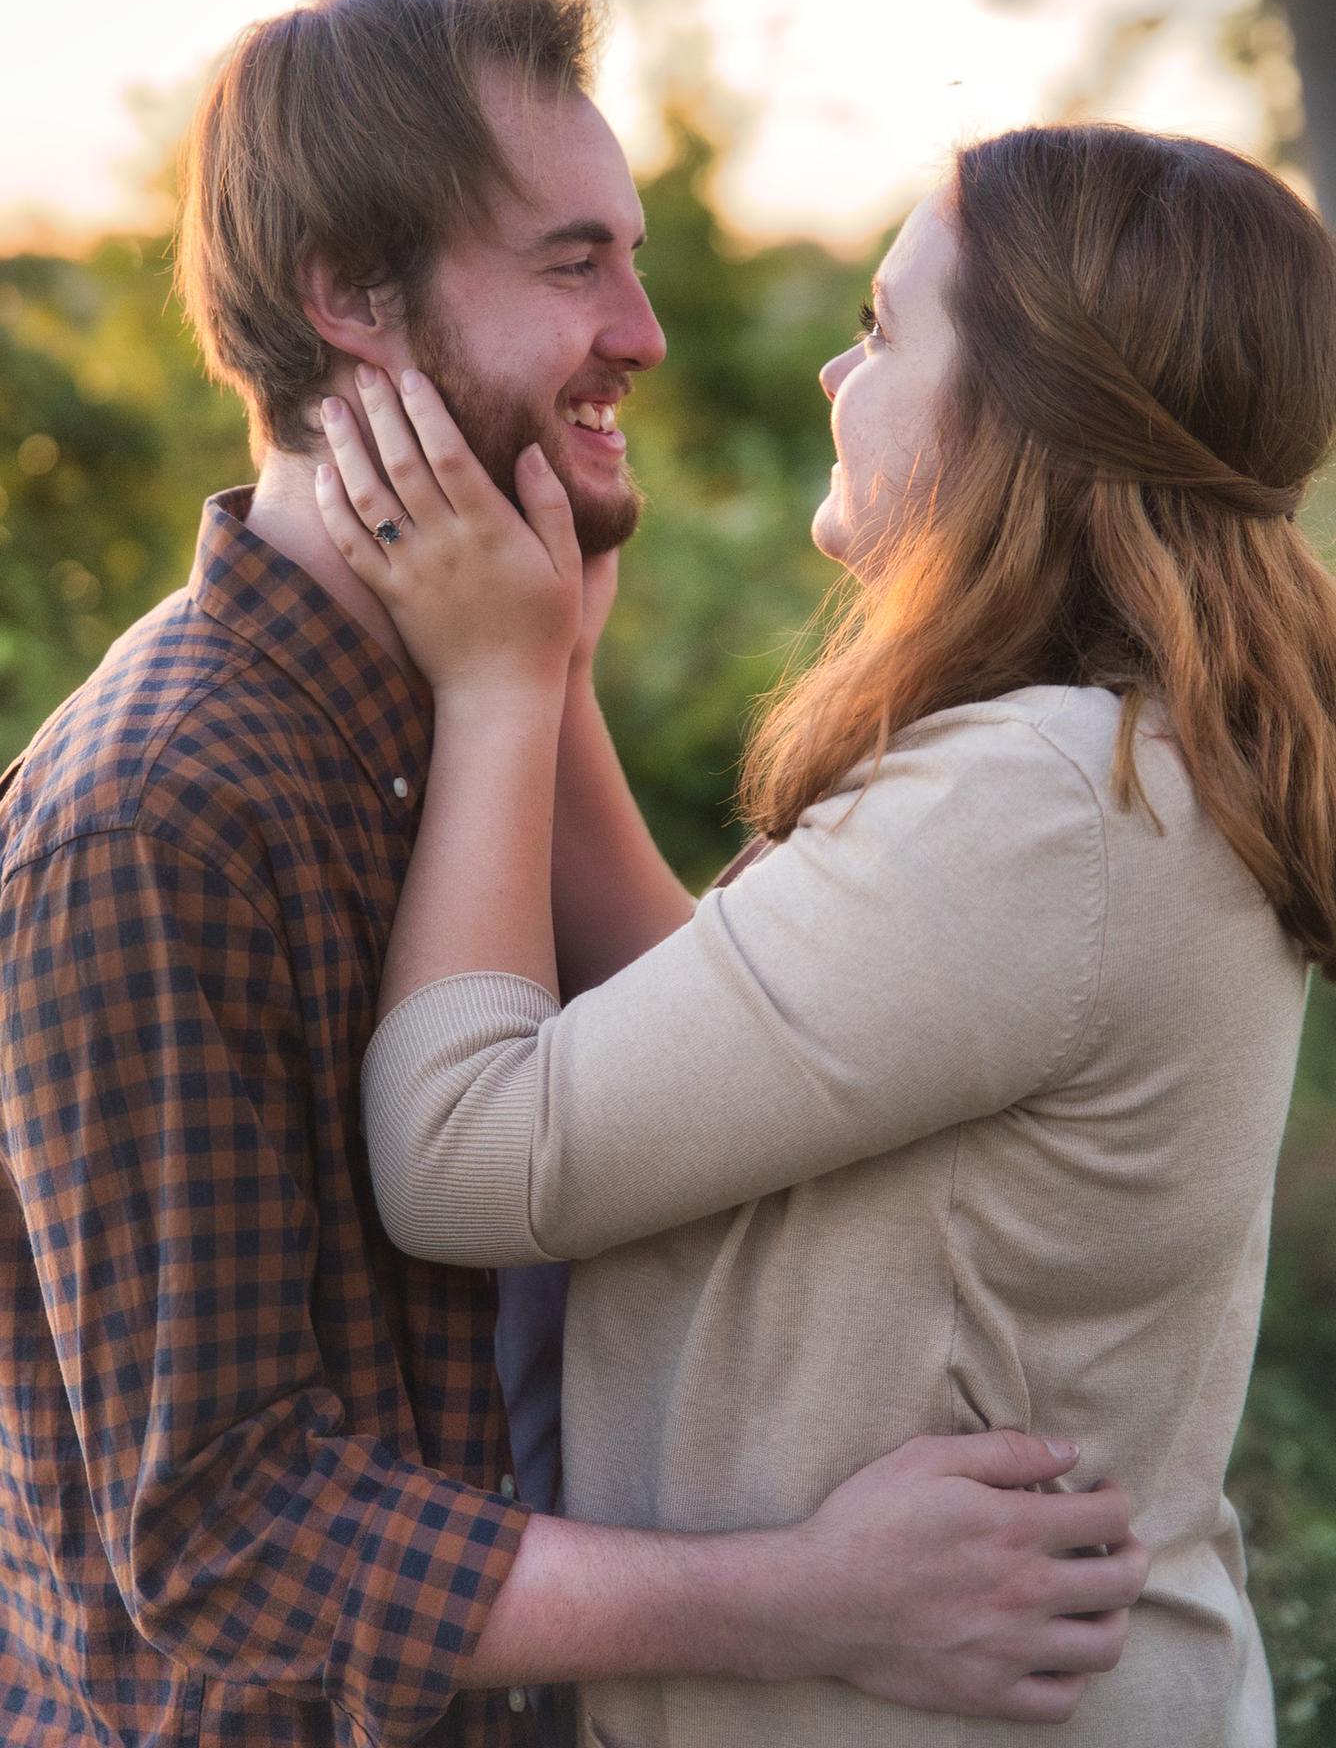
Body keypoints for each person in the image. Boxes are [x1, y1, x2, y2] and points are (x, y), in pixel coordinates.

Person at [0, 0, 1146, 1748]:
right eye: (570, 264)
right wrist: (808, 1598)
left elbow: (695, 1124)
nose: (647, 330)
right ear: (349, 301)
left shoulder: (466, 710)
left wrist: (539, 690)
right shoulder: (162, 815)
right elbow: (222, 1531)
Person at [318, 120, 1336, 1747]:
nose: (830, 376)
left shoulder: (1041, 810)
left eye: (881, 328)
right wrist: (569, 683)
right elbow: (715, 1060)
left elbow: (462, 1162)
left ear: (1026, 406)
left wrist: (493, 692)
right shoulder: (1110, 758)